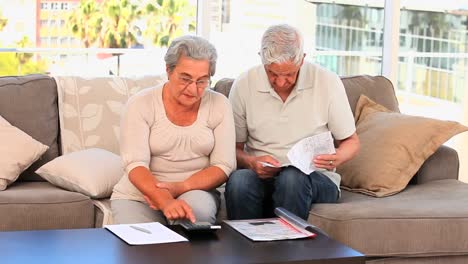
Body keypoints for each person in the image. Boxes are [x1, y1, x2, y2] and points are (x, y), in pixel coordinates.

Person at [225, 24, 360, 220]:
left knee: (291, 178)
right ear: (261, 60)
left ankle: (288, 249)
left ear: (302, 60)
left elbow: (352, 142)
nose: (280, 82)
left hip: (316, 178)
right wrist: (251, 161)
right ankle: (245, 249)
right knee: (239, 181)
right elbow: (233, 149)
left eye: (289, 74)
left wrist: (337, 157)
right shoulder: (244, 84)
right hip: (263, 177)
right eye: (272, 74)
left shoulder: (326, 82)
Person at [111, 35, 236, 225]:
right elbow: (135, 164)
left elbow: (223, 165)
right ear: (168, 71)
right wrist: (165, 200)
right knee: (139, 246)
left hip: (196, 191)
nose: (193, 90)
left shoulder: (219, 104)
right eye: (185, 79)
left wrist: (180, 187)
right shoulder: (140, 104)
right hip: (139, 195)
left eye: (202, 81)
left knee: (196, 216)